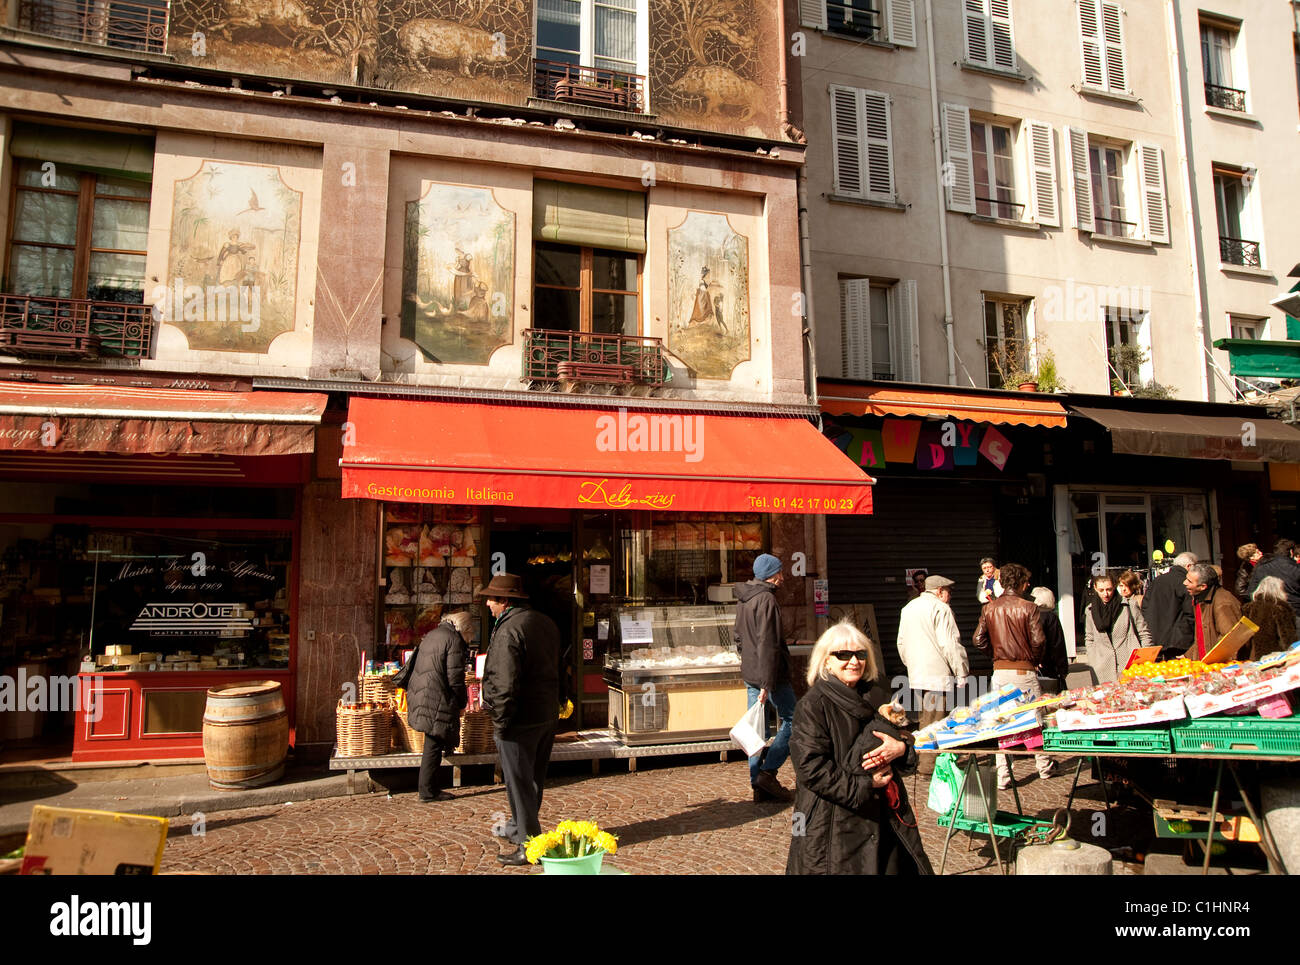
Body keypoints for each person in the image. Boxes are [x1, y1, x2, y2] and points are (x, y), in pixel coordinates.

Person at [786, 621, 933, 875]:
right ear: (826, 661)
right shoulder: (813, 705)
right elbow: (810, 767)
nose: (854, 661)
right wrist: (866, 784)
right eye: (843, 654)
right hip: (833, 821)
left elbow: (906, 736)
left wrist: (901, 749)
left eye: (860, 654)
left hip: (883, 819)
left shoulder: (879, 694)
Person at [479, 573, 561, 867]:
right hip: (545, 713)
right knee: (533, 779)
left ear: (505, 601)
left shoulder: (508, 630)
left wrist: (500, 721)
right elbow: (559, 667)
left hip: (519, 718)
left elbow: (504, 681)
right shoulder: (545, 623)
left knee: (519, 782)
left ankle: (529, 844)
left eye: (491, 598)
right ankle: (517, 827)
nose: (488, 604)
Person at [972, 562, 1053, 789]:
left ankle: (1003, 776)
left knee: (1002, 721)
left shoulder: (989, 608)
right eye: (1026, 582)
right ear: (1019, 584)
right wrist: (1034, 659)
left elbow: (978, 640)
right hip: (1023, 669)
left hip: (1000, 670)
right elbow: (1038, 640)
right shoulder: (1029, 607)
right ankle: (1044, 766)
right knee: (1035, 717)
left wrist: (996, 654)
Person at [735, 553, 796, 802]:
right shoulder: (767, 600)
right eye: (780, 571)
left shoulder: (745, 598)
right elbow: (768, 644)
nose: (783, 576)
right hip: (770, 676)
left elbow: (738, 636)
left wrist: (749, 664)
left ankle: (757, 784)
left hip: (752, 672)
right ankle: (767, 774)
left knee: (756, 730)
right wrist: (767, 683)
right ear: (773, 574)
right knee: (795, 719)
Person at [895, 574, 969, 769]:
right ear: (939, 591)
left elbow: (901, 643)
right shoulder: (941, 608)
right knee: (935, 721)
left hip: (917, 673)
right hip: (937, 674)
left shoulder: (908, 608)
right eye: (948, 591)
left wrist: (911, 664)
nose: (950, 596)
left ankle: (928, 760)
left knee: (925, 717)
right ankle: (928, 765)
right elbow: (950, 644)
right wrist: (961, 671)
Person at [401, 610, 470, 802]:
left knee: (432, 741)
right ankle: (428, 790)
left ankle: (428, 788)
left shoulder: (433, 634)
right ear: (464, 628)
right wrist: (462, 702)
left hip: (423, 692)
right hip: (436, 696)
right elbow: (455, 677)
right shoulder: (453, 640)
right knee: (433, 743)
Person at [1083, 574, 1152, 684]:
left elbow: (1144, 632)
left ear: (1114, 587)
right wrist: (1093, 658)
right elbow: (1089, 637)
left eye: (1109, 589)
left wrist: (1144, 658)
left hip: (1129, 664)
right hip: (1101, 666)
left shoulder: (1128, 605)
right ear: (1095, 588)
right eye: (1101, 590)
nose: (1106, 594)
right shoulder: (1090, 610)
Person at [1142, 551, 1197, 655]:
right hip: (1178, 642)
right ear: (1189, 566)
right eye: (1196, 566)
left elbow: (1145, 607)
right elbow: (1191, 612)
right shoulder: (1185, 583)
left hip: (1155, 639)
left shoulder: (1157, 581)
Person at [1185, 563, 1243, 660]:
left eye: (1189, 581)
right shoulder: (1200, 599)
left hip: (1219, 667)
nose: (1184, 583)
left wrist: (1214, 663)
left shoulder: (1223, 603)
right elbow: (1202, 637)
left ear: (1203, 586)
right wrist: (1188, 656)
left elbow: (1230, 641)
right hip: (1205, 665)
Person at [1246, 539, 1300, 634]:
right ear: (1291, 552)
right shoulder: (1296, 569)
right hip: (1295, 614)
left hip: (1270, 616)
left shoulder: (1261, 568)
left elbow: (1251, 593)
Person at [1243, 577, 1298, 661]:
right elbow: (1287, 639)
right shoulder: (1279, 609)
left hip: (1252, 660)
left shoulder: (1248, 608)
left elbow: (1243, 637)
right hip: (1275, 659)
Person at [1030, 587, 1069, 693]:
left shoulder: (1030, 616)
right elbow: (1057, 644)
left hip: (1032, 663)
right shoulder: (1051, 617)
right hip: (1049, 663)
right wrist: (1062, 668)